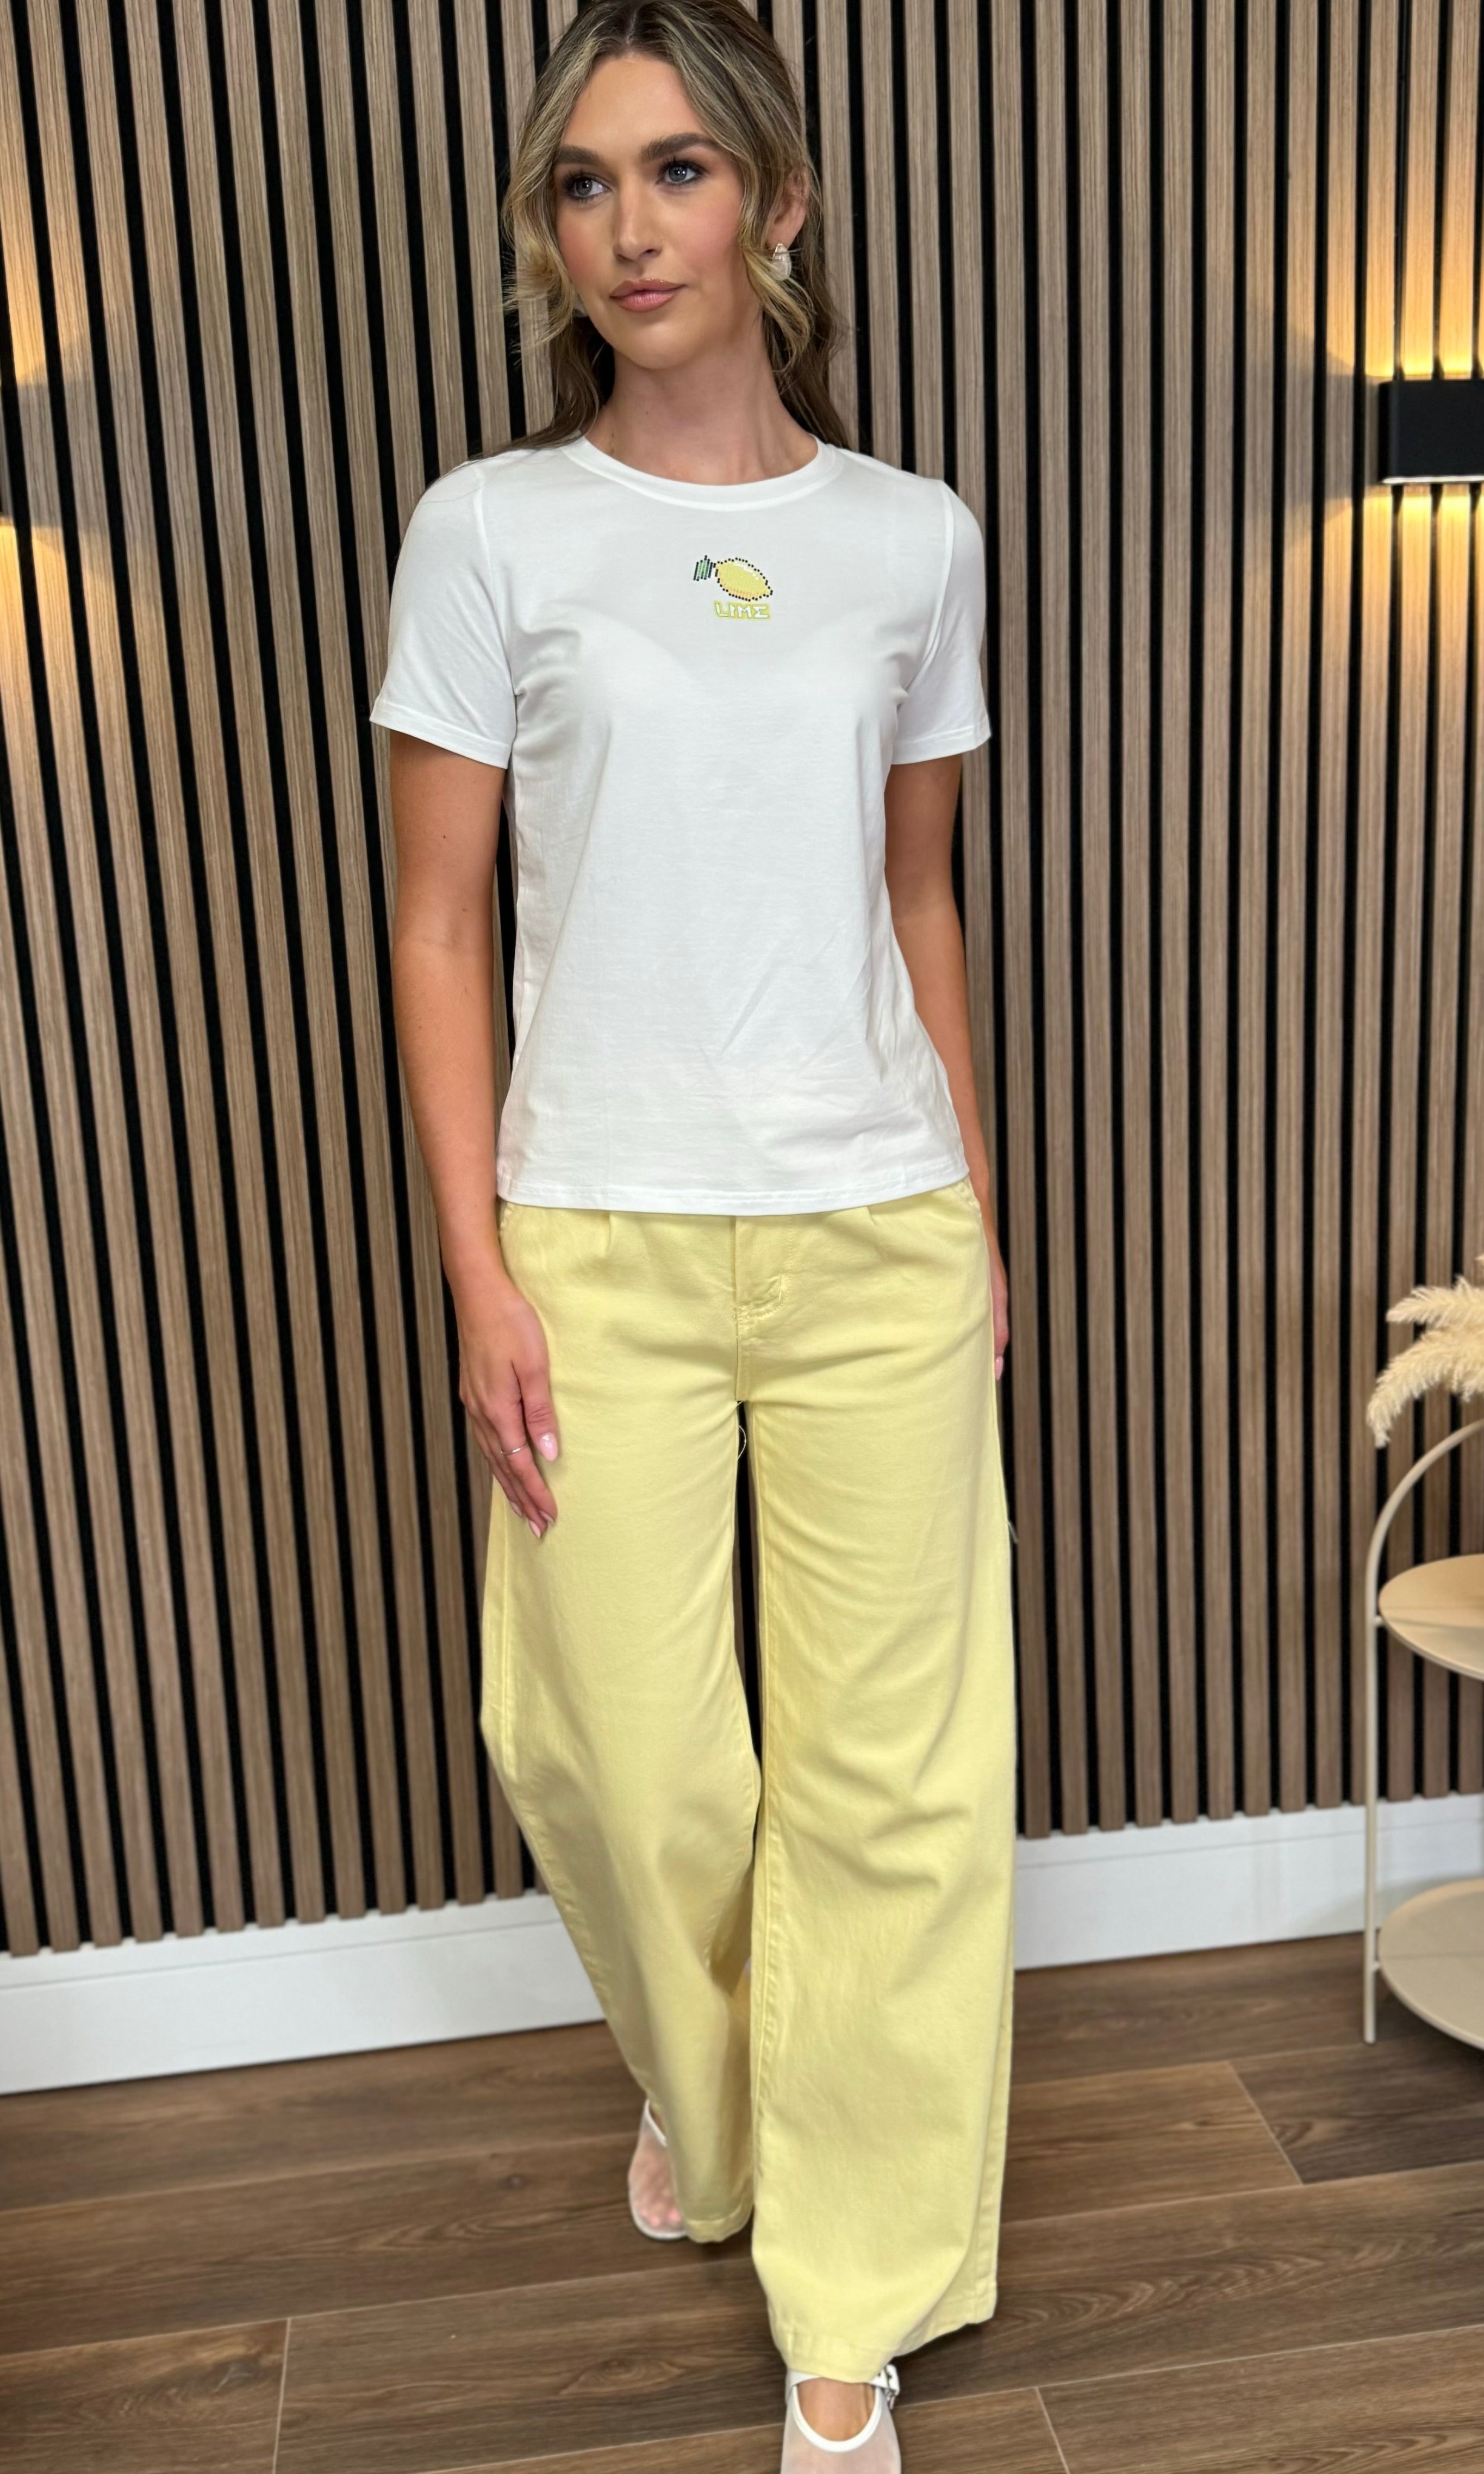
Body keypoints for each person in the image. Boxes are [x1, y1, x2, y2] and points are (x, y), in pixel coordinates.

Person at [369, 4, 1016, 2465]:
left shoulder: (910, 537)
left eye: (673, 171)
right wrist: (479, 1275)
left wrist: (971, 1216)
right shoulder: (489, 531)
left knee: (891, 1790)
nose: (626, 229)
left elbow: (914, 899)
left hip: (870, 1223)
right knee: (617, 1762)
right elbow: (439, 926)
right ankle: (720, 2112)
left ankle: (845, 2305)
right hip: (598, 1240)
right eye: (580, 184)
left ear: (777, 199)